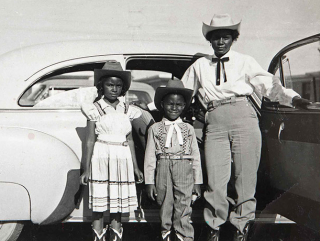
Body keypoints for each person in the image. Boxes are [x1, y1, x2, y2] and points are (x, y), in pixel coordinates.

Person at [180, 14, 311, 241]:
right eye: (216, 38)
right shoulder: (200, 66)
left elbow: (270, 85)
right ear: (209, 40)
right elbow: (181, 93)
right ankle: (214, 229)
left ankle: (241, 230)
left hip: (245, 118)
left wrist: (294, 99)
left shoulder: (245, 61)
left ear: (233, 39)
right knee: (216, 181)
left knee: (245, 178)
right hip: (215, 122)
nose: (220, 42)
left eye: (225, 37)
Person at [80, 61, 144, 241]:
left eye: (118, 86)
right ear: (102, 86)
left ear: (123, 88)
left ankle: (116, 234)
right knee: (100, 203)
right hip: (101, 155)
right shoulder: (94, 109)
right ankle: (98, 234)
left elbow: (130, 140)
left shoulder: (128, 110)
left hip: (122, 157)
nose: (114, 89)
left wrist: (136, 167)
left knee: (118, 203)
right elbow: (90, 140)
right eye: (110, 85)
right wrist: (86, 169)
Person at [144, 80, 203, 241]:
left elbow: (195, 157)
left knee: (183, 204)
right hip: (163, 166)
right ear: (162, 104)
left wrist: (197, 181)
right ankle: (166, 234)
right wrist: (149, 182)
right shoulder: (155, 128)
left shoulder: (188, 129)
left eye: (179, 104)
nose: (174, 107)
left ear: (184, 106)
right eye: (170, 103)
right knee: (165, 204)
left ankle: (183, 236)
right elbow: (150, 157)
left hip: (184, 166)